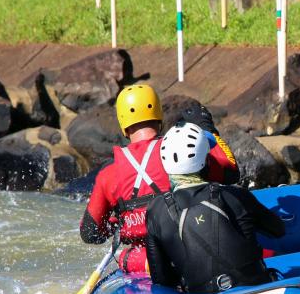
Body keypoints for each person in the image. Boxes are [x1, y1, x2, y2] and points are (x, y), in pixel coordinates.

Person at [80, 85, 239, 273]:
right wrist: (208, 130)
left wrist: (117, 223)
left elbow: (90, 233)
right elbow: (231, 172)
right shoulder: (181, 151)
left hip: (146, 258)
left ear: (123, 124)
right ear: (159, 115)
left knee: (125, 257)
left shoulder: (108, 174)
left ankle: (151, 265)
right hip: (195, 243)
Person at [145, 122, 285, 292]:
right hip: (256, 291)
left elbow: (161, 280)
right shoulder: (235, 195)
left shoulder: (155, 211)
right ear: (206, 161)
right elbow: (278, 230)